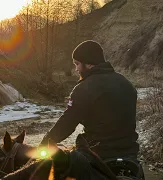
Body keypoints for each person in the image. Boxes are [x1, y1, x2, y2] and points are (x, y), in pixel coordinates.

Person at [40, 40, 145, 179]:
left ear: (88, 64)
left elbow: (68, 122)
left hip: (98, 154)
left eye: (77, 64)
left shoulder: (84, 88)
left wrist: (46, 142)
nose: (76, 69)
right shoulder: (126, 83)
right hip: (130, 154)